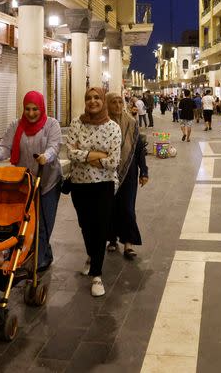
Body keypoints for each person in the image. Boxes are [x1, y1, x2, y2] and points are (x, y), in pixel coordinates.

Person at [0, 90, 62, 272]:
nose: (31, 113)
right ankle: (43, 253)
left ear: (42, 108)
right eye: (27, 109)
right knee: (27, 222)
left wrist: (47, 156)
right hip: (24, 182)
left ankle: (38, 260)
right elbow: (5, 146)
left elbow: (55, 146)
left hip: (48, 181)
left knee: (44, 221)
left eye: (35, 109)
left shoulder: (52, 124)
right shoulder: (16, 125)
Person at [67, 87, 122, 297]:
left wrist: (85, 154)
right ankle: (91, 255)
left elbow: (113, 162)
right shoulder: (76, 123)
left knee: (100, 228)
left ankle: (97, 275)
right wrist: (98, 154)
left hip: (104, 185)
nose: (93, 101)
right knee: (85, 226)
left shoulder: (113, 127)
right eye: (89, 98)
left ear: (103, 101)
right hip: (79, 185)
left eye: (97, 97)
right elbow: (70, 153)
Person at [105, 93, 149, 260]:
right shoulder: (103, 123)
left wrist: (144, 171)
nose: (117, 105)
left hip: (129, 171)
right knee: (111, 207)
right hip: (107, 172)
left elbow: (138, 149)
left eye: (119, 102)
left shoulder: (131, 122)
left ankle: (129, 243)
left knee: (128, 208)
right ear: (107, 105)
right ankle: (112, 239)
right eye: (113, 102)